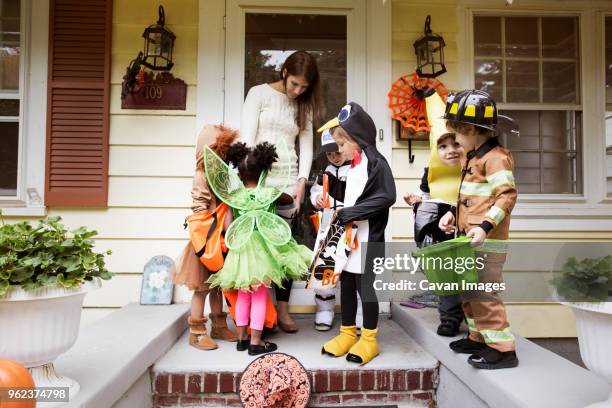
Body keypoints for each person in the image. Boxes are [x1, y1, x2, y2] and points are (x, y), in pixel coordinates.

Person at [241, 50, 323, 333]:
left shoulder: (304, 105)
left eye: (304, 87)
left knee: (285, 247)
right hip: (262, 181)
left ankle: (283, 311)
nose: (297, 91)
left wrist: (302, 181)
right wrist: (250, 184)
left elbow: (307, 145)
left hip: (289, 181)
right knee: (261, 248)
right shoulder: (258, 94)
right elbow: (247, 140)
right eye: (294, 84)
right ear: (284, 73)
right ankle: (259, 316)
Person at [206, 141, 312, 356]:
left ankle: (242, 338)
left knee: (244, 295)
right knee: (260, 296)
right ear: (264, 170)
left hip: (241, 253)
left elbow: (228, 227)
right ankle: (256, 342)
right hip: (263, 254)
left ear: (239, 173)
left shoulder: (234, 198)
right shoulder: (269, 193)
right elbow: (288, 199)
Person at [439, 89, 519, 369]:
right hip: (468, 240)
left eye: (456, 132)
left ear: (472, 129)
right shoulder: (472, 157)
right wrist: (451, 214)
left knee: (484, 293)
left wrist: (485, 226)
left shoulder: (495, 158)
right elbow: (471, 198)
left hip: (487, 241)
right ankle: (478, 337)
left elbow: (506, 196)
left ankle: (503, 348)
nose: (454, 139)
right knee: (469, 292)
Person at [319, 103, 396, 365]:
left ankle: (369, 339)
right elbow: (350, 196)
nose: (339, 151)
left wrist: (352, 213)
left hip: (369, 240)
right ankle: (347, 333)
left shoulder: (376, 163)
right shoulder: (354, 167)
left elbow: (387, 196)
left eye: (342, 145)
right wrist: (327, 194)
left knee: (366, 288)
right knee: (347, 286)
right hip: (350, 239)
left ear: (356, 140)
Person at [172, 125, 239, 350]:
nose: (223, 156)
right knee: (202, 287)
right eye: (219, 152)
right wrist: (208, 226)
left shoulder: (220, 175)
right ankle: (197, 332)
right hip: (206, 240)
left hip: (220, 238)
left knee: (219, 285)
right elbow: (199, 204)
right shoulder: (202, 174)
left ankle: (219, 326)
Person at [404, 129, 465, 337]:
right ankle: (449, 317)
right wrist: (417, 203)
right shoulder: (430, 172)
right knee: (442, 270)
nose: (451, 151)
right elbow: (426, 195)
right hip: (439, 227)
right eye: (443, 146)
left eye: (456, 144)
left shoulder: (471, 170)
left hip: (468, 225)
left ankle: (467, 314)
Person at [309, 129, 363, 331]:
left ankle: (359, 314)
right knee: (326, 269)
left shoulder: (357, 169)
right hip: (329, 225)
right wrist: (317, 199)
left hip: (352, 223)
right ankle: (324, 310)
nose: (334, 157)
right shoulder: (325, 172)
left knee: (355, 270)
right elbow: (315, 191)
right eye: (329, 154)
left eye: (337, 152)